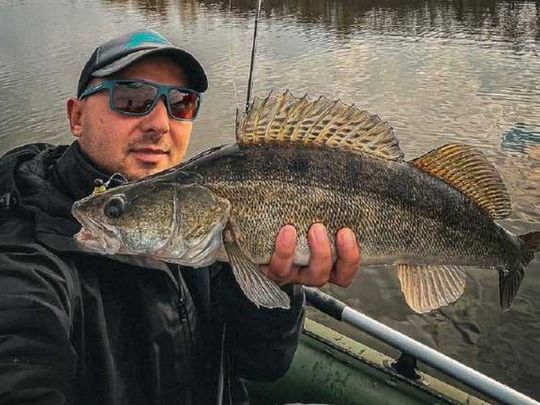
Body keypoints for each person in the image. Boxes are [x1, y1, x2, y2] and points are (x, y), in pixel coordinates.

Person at [0, 29, 360, 404]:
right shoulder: (26, 257)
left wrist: (276, 283)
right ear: (77, 116)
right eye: (132, 99)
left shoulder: (199, 220)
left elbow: (261, 365)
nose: (160, 123)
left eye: (180, 103)